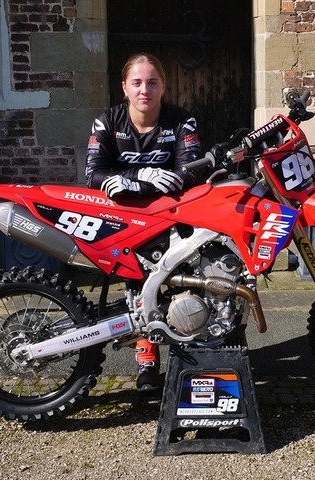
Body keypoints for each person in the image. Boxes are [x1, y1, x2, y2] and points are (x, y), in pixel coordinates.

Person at [85, 52, 202, 391]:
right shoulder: (107, 121)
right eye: (136, 82)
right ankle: (147, 356)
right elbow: (93, 175)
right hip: (126, 219)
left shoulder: (182, 121)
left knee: (184, 281)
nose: (144, 90)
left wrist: (131, 182)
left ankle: (189, 354)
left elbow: (191, 172)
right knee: (137, 285)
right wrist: (140, 176)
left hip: (173, 215)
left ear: (163, 86)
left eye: (152, 82)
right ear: (124, 87)